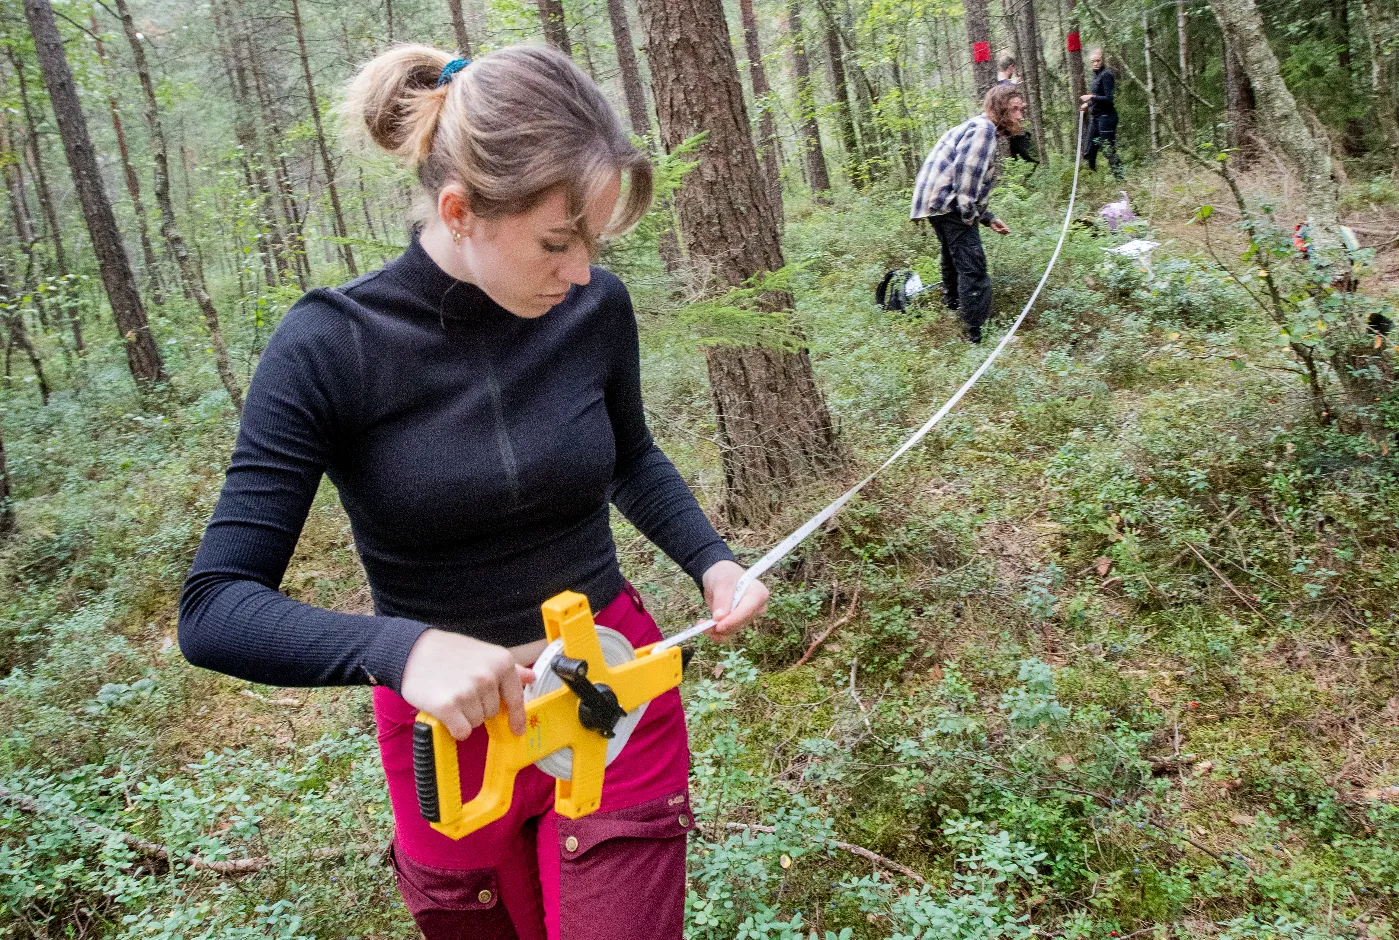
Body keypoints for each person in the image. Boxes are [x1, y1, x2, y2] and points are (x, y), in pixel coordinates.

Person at [177, 43, 769, 940]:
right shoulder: (330, 346)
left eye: (593, 244)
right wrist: (406, 650)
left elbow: (627, 456)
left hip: (609, 686)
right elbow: (215, 607)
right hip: (448, 738)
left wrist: (712, 562)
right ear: (459, 211)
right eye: (556, 243)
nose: (579, 273)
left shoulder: (593, 309)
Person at [909, 84, 1023, 343]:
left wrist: (988, 217)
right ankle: (976, 333)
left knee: (953, 257)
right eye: (1014, 110)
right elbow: (966, 179)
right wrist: (970, 216)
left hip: (937, 203)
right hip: (949, 204)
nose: (1019, 116)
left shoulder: (977, 127)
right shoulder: (984, 131)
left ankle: (953, 308)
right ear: (999, 108)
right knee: (973, 267)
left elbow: (966, 179)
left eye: (1021, 110)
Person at [1079, 48, 1124, 179]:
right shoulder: (1095, 76)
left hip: (1107, 117)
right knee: (1088, 151)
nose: (1095, 64)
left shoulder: (1106, 75)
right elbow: (1098, 98)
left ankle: (1120, 178)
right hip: (1096, 117)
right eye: (1093, 61)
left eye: (1098, 61)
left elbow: (1109, 99)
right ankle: (1093, 179)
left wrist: (1091, 97)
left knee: (1108, 149)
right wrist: (1088, 104)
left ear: (1102, 60)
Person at [996, 54, 1039, 166]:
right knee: (1031, 158)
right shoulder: (1007, 85)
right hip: (1010, 127)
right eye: (1013, 68)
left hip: (1005, 129)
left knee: (1015, 158)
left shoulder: (999, 82)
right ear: (1010, 67)